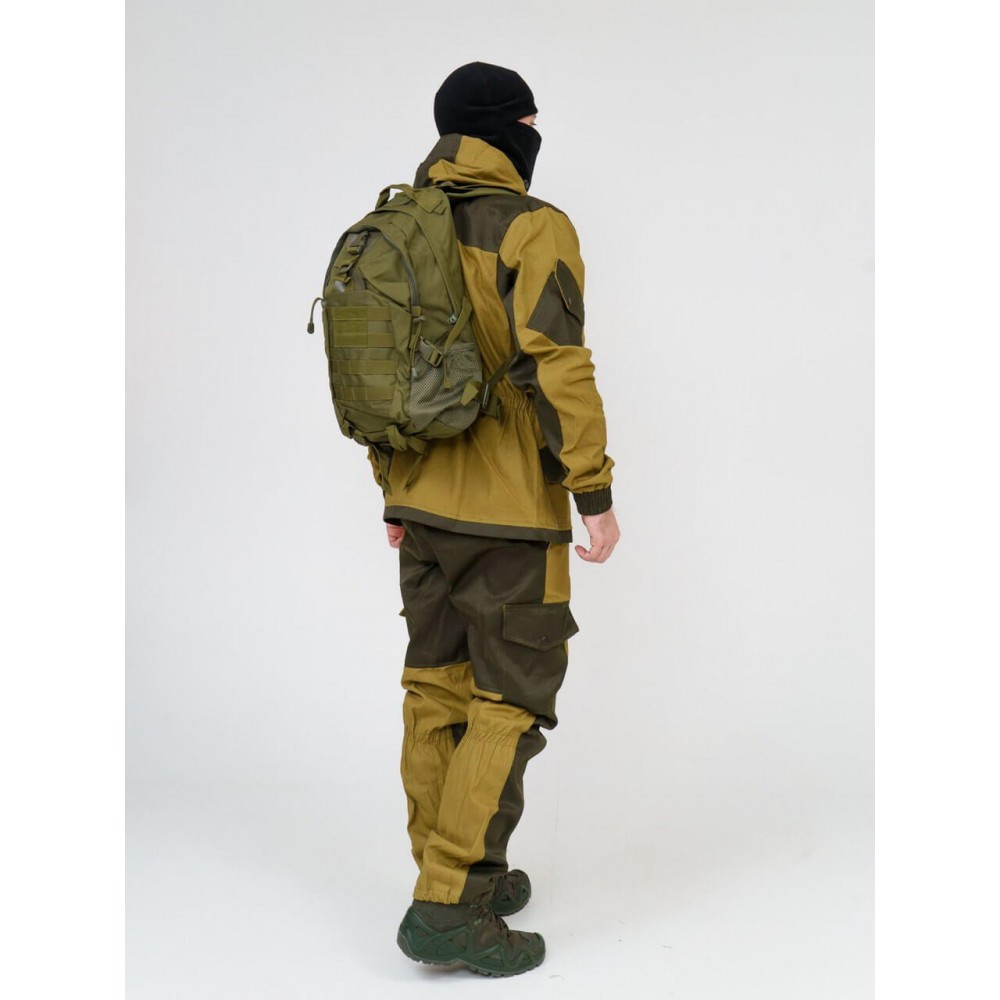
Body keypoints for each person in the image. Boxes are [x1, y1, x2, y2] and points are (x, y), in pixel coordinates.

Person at [368, 61, 621, 977]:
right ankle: (451, 902)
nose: (536, 135)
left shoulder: (398, 227)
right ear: (509, 130)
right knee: (509, 701)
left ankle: (449, 874)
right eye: (531, 122)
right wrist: (592, 491)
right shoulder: (532, 225)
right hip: (510, 514)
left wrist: (391, 489)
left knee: (434, 690)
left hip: (418, 504)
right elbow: (559, 364)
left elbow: (372, 371)